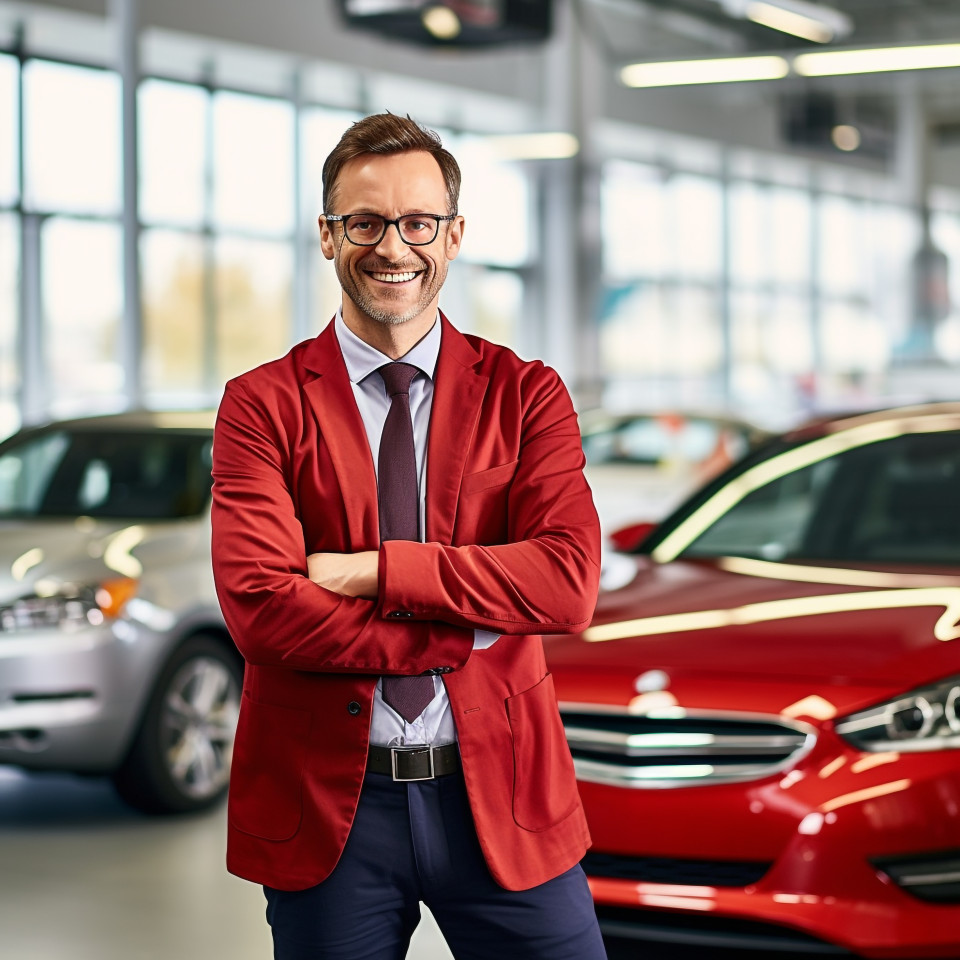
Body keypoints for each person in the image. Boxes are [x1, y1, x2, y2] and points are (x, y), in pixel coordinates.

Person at [211, 112, 606, 960]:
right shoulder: (262, 404)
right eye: (365, 222)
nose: (393, 247)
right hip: (329, 808)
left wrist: (371, 572)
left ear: (453, 236)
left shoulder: (527, 394)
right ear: (328, 235)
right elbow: (263, 612)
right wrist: (466, 627)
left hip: (503, 791)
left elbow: (567, 583)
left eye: (419, 222)